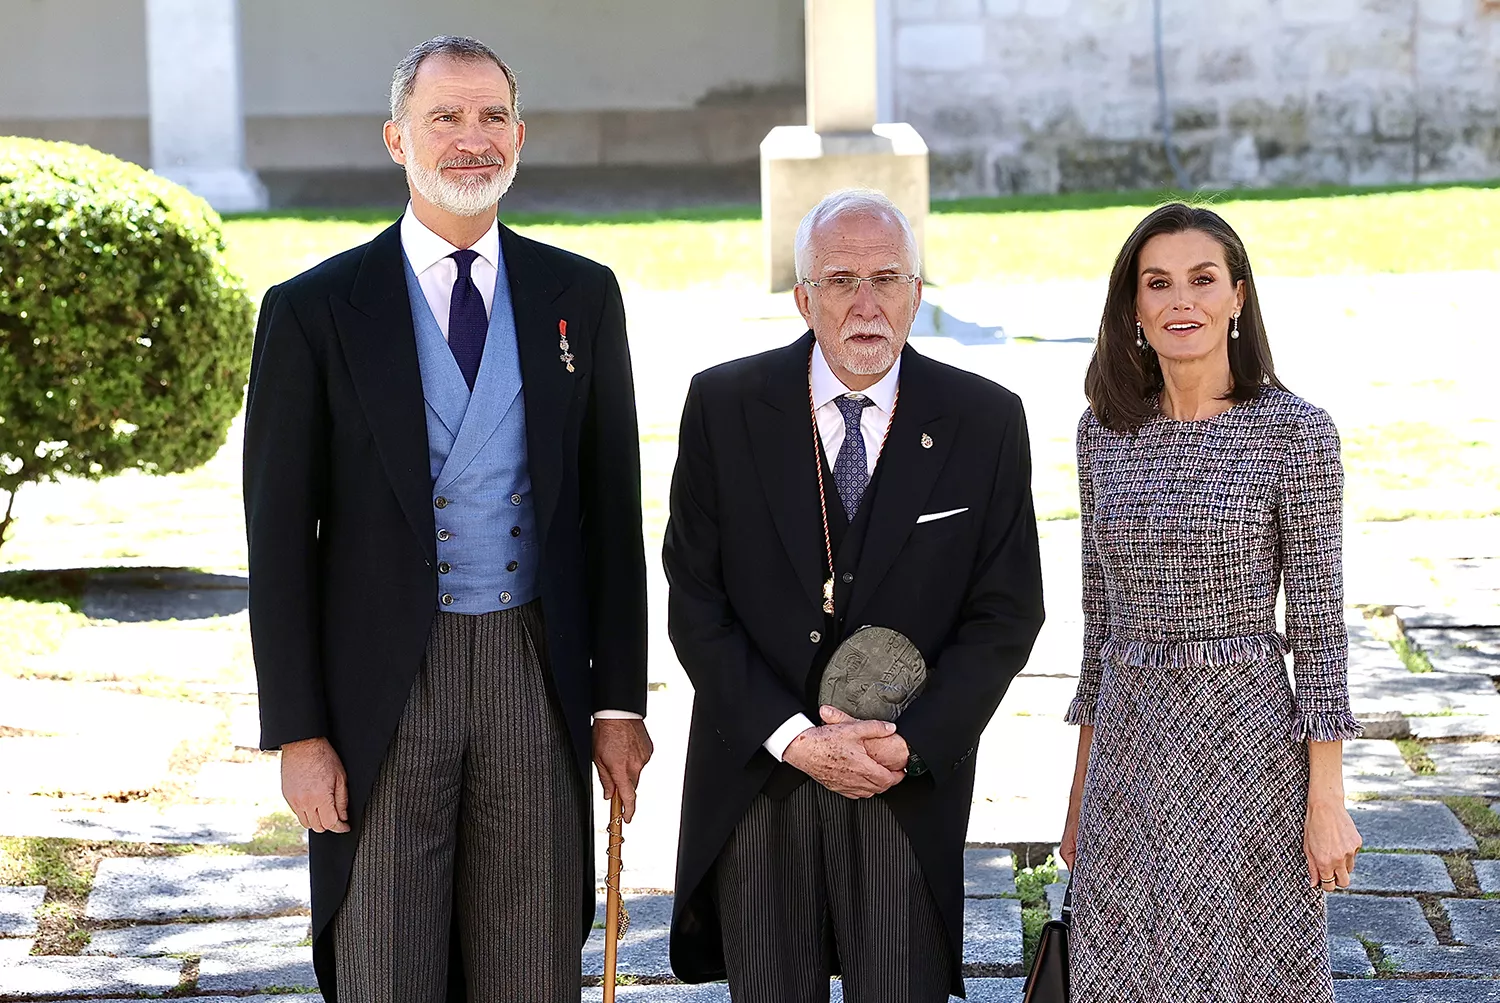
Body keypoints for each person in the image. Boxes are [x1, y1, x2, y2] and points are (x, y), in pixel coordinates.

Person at [243, 35, 653, 1003]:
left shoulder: (580, 296)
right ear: (398, 139)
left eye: (492, 116)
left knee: (530, 951)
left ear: (521, 134)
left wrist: (619, 701)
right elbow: (277, 538)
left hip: (532, 665)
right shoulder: (313, 309)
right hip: (383, 681)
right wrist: (299, 731)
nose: (473, 140)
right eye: (446, 118)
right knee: (384, 956)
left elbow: (611, 515)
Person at [663, 188, 1045, 1002]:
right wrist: (795, 739)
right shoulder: (723, 405)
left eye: (886, 278)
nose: (865, 304)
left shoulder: (986, 419)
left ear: (917, 289)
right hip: (762, 776)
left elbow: (1007, 612)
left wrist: (914, 744)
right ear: (803, 297)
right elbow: (695, 601)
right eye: (839, 280)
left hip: (900, 779)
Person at [1058, 203, 1363, 1002]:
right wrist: (1079, 793)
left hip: (1249, 742)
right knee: (1123, 967)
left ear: (1237, 297)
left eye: (1202, 280)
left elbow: (1321, 629)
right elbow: (1099, 626)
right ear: (1134, 308)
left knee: (1252, 967)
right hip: (1130, 742)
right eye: (1158, 284)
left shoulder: (1295, 433)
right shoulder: (1102, 433)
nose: (1180, 301)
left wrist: (1325, 801)